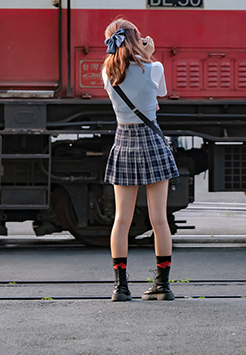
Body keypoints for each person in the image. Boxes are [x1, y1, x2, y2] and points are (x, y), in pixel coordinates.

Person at [102, 17, 180, 302]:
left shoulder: (107, 71)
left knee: (121, 219)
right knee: (159, 219)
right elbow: (159, 93)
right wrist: (148, 56)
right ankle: (162, 285)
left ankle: (120, 288)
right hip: (152, 143)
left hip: (123, 142)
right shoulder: (155, 67)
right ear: (137, 39)